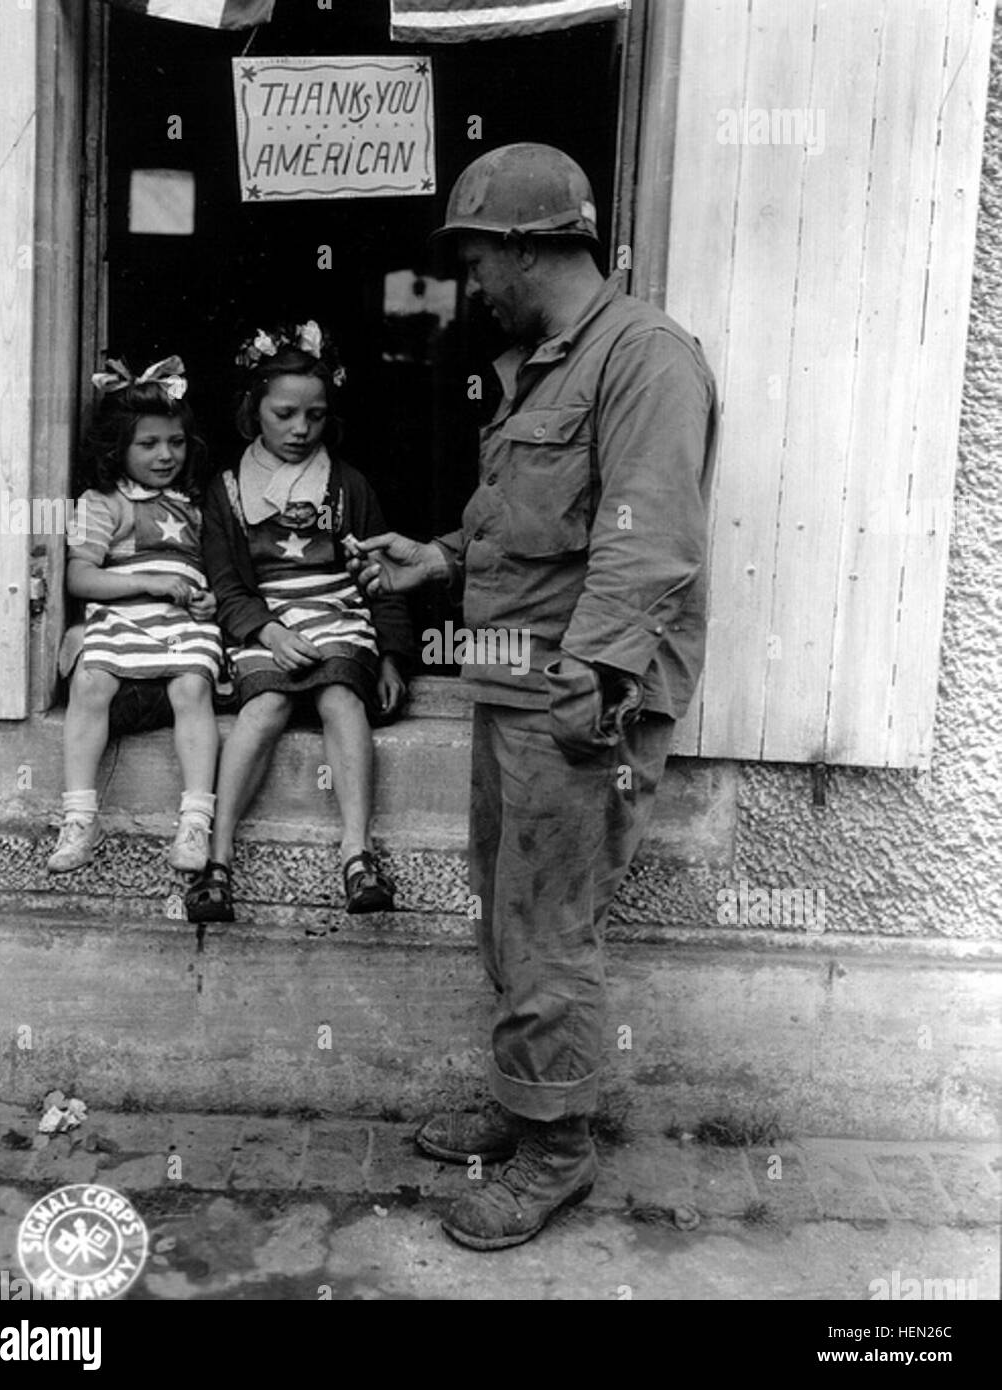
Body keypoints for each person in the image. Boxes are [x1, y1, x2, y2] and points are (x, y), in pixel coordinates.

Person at [351, 144, 719, 1250]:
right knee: (509, 911)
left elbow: (645, 546)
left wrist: (592, 687)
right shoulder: (545, 365)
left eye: (474, 262)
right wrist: (438, 558)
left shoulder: (643, 357)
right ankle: (523, 1105)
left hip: (574, 696)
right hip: (514, 676)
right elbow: (530, 524)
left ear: (522, 247)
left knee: (552, 925)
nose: (469, 288)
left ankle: (556, 1151)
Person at [187, 323, 412, 923]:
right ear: (253, 409)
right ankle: (218, 860)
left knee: (342, 697)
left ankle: (358, 853)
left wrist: (389, 655)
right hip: (266, 620)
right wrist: (267, 632)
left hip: (337, 611)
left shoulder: (346, 484)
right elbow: (228, 584)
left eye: (314, 416)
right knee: (264, 708)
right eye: (284, 413)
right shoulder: (230, 491)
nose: (299, 430)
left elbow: (380, 576)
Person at [48, 357, 221, 875]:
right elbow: (80, 577)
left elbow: (215, 569)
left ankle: (195, 820)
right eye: (148, 444)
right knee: (91, 681)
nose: (166, 455)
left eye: (176, 442)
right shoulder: (102, 503)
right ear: (117, 447)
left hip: (182, 623)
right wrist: (146, 582)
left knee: (192, 687)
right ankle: (80, 816)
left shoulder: (196, 501)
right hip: (122, 615)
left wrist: (208, 598)